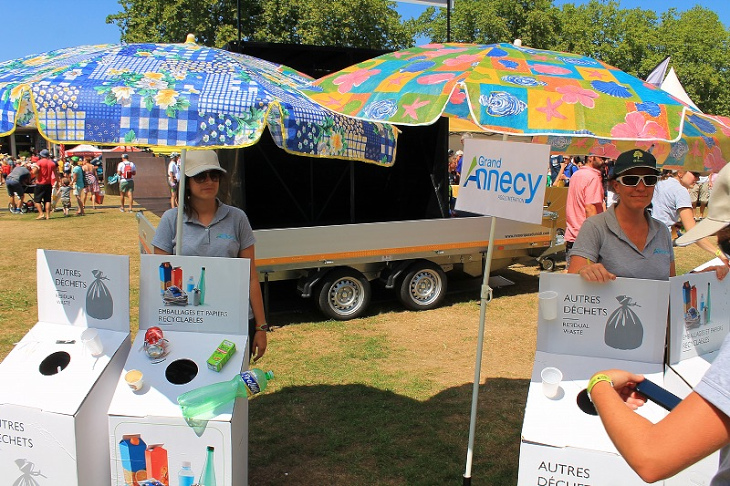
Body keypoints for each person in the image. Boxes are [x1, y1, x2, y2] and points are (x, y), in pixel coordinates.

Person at [587, 163, 730, 484]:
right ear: (615, 185)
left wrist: (599, 384)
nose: (641, 186)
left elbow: (652, 457)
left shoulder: (662, 231)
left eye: (649, 179)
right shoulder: (597, 227)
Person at [151, 150, 268, 361]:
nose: (209, 181)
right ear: (186, 181)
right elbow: (160, 279)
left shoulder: (237, 218)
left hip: (235, 319)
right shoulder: (171, 220)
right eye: (200, 176)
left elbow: (250, 277)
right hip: (187, 321)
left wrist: (260, 326)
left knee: (233, 384)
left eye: (214, 175)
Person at [651, 168, 729, 266]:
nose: (698, 178)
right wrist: (719, 254)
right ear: (680, 173)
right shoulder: (680, 191)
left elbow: (660, 213)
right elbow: (692, 232)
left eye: (699, 175)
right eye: (695, 174)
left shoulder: (660, 183)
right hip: (660, 244)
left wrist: (678, 225)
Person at [564, 154, 607, 265]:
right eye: (601, 157)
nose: (604, 161)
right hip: (586, 240)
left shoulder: (576, 174)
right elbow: (590, 208)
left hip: (573, 234)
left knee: (572, 276)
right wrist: (595, 236)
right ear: (591, 157)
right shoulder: (592, 177)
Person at [33, 149, 58, 220]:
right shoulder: (52, 163)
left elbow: (34, 172)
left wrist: (37, 171)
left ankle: (41, 214)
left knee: (37, 200)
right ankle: (48, 215)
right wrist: (58, 182)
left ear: (41, 155)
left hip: (40, 183)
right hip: (48, 183)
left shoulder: (39, 162)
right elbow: (56, 174)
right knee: (47, 200)